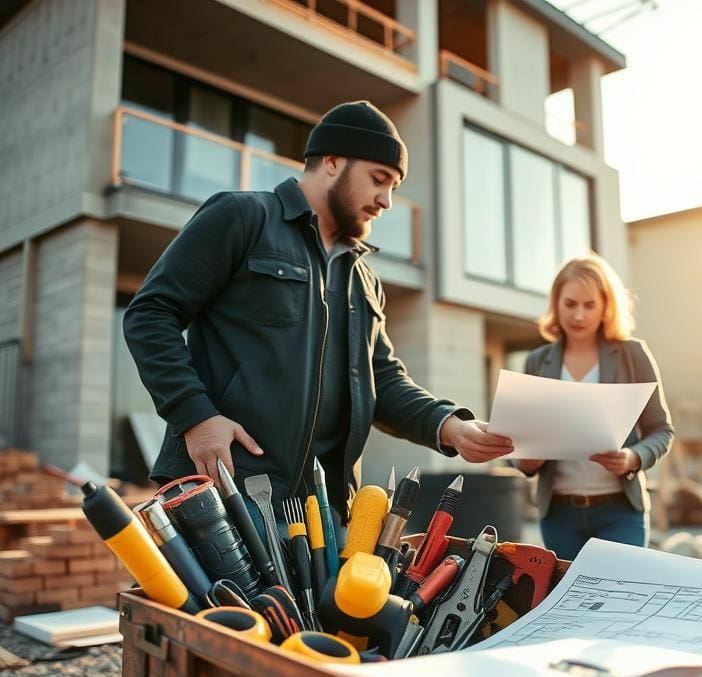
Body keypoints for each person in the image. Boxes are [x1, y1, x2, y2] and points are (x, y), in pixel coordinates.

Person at [124, 100, 513, 528]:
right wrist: (195, 416)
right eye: (378, 179)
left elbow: (381, 379)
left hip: (323, 513)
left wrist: (447, 425)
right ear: (331, 161)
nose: (386, 200)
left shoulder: (364, 279)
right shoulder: (242, 217)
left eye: (394, 187)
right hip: (225, 489)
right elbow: (150, 313)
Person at [516, 255, 674, 560]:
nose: (578, 315)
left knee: (622, 598)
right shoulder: (536, 361)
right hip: (559, 515)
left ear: (605, 307)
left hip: (620, 512)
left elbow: (662, 430)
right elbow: (522, 452)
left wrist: (632, 457)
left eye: (589, 305)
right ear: (556, 304)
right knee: (568, 604)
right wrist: (528, 459)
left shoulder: (633, 354)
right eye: (570, 303)